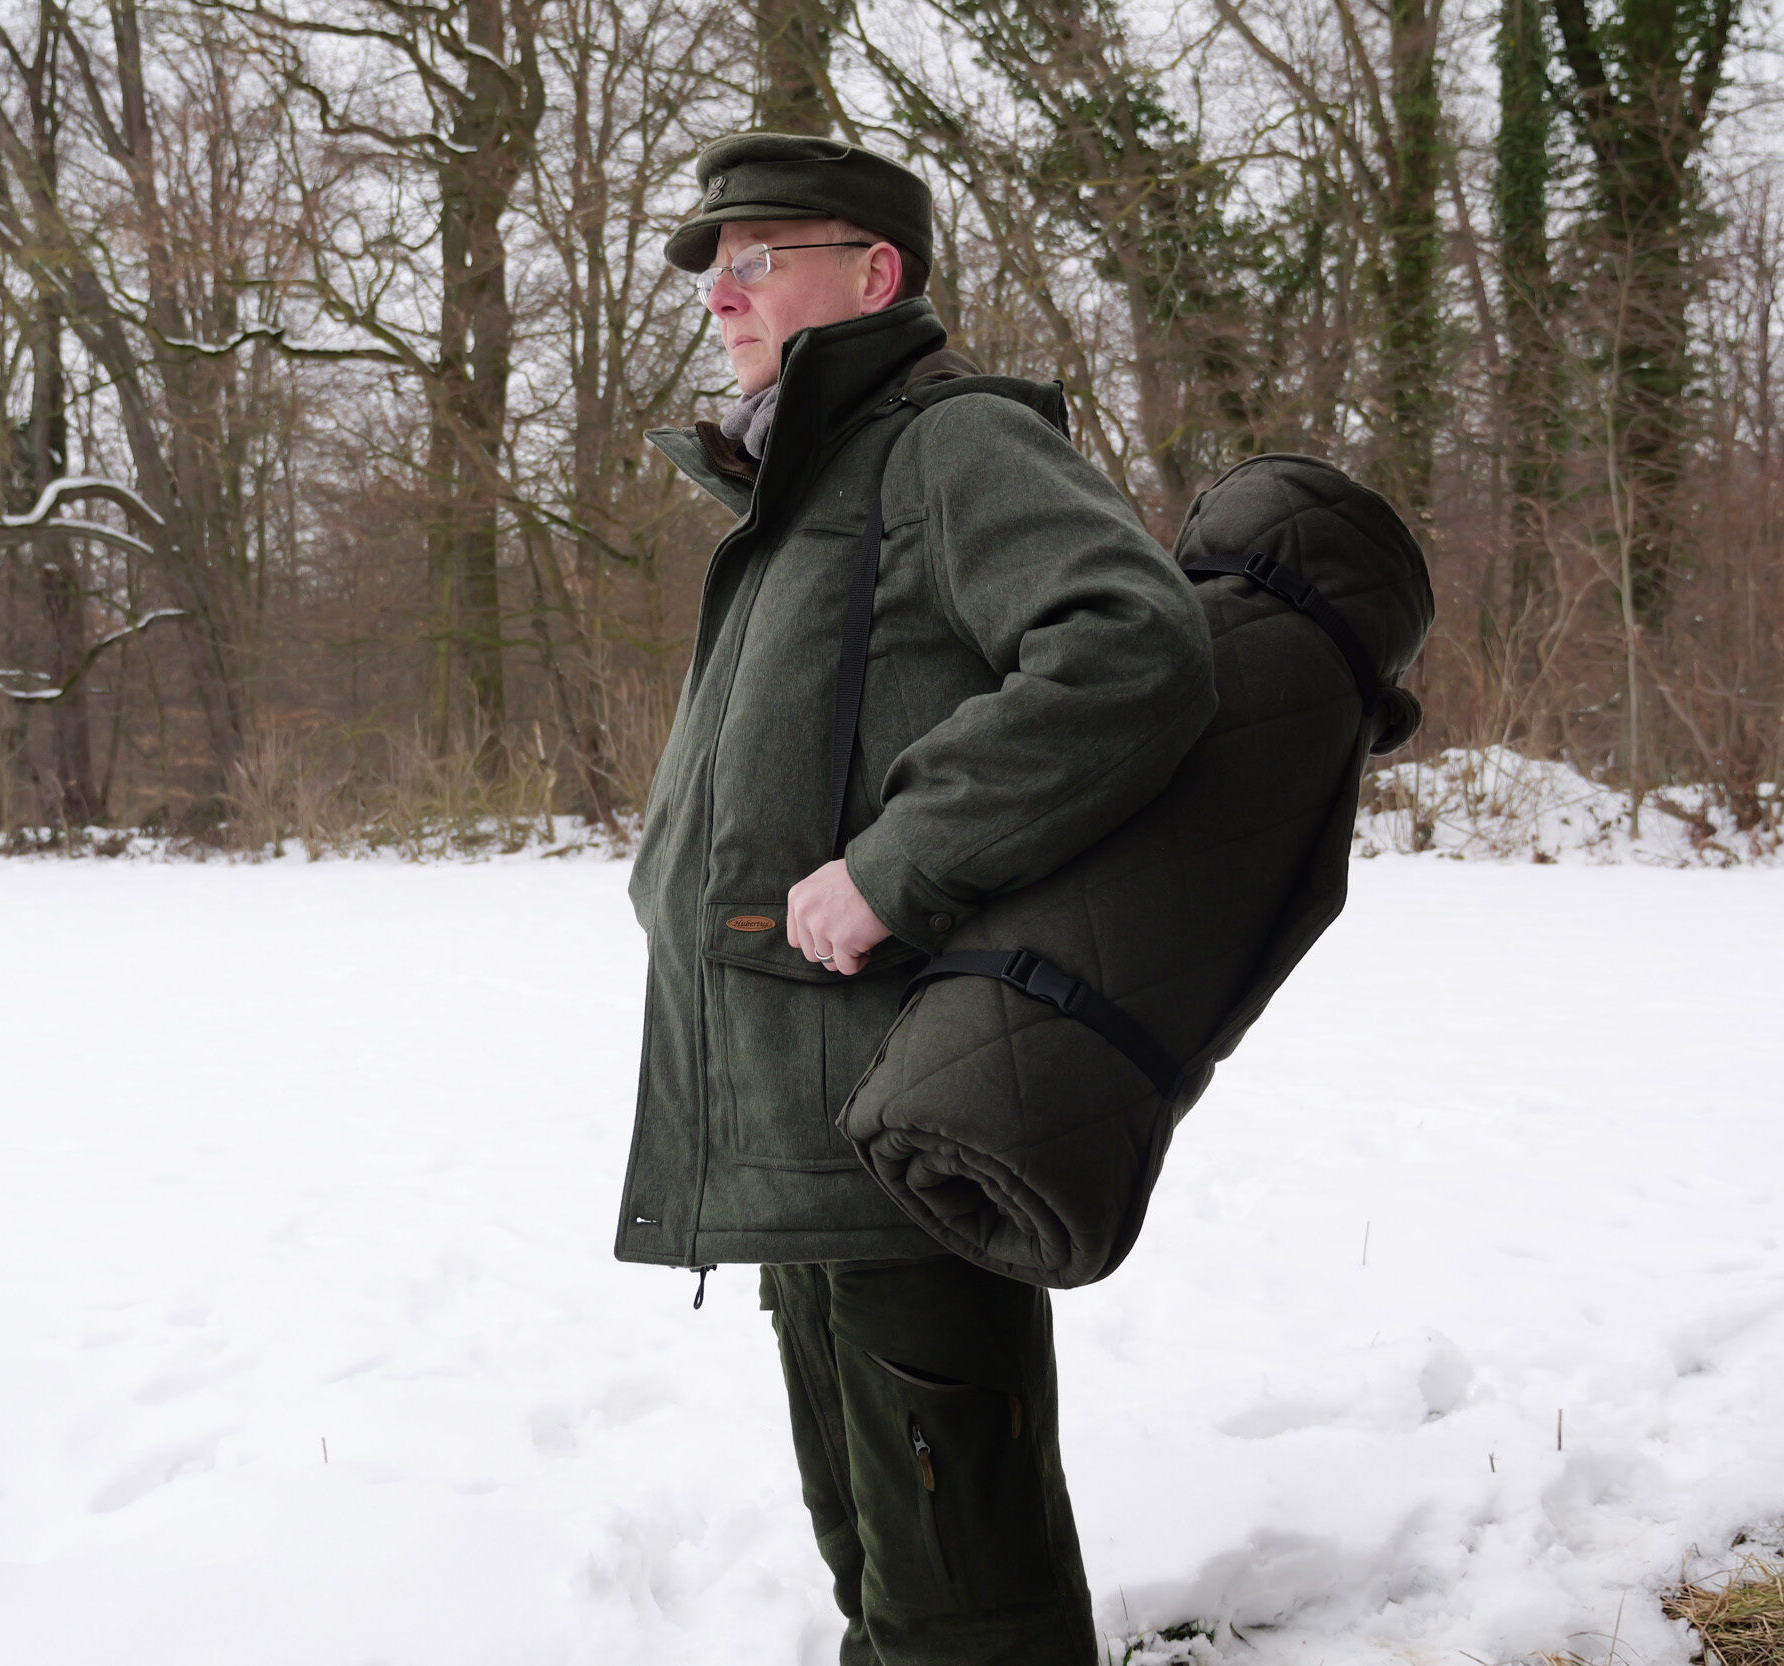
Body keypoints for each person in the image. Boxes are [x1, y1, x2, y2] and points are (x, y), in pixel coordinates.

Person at [614, 131, 1216, 1665]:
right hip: (796, 1121)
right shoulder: (802, 483)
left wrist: (896, 865)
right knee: (877, 1568)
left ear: (871, 274)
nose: (719, 297)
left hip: (902, 1107)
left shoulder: (948, 444)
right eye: (710, 270)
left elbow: (1129, 644)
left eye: (754, 261)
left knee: (966, 1593)